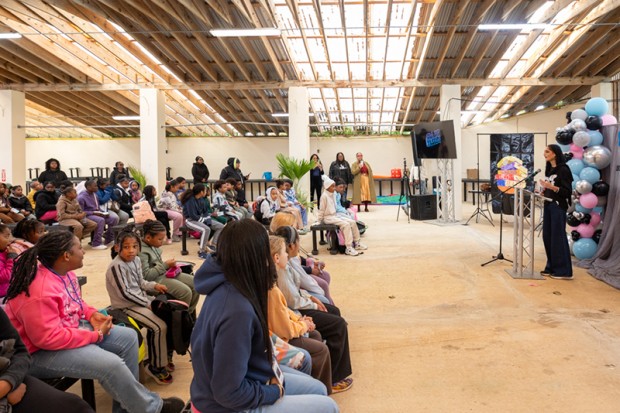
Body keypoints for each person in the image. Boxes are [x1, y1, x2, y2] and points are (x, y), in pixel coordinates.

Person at [3, 230, 185, 413]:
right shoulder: (40, 292)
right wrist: (95, 335)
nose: (83, 251)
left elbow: (76, 302)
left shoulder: (64, 273)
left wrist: (91, 314)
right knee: (111, 365)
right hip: (36, 352)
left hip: (67, 329)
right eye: (79, 248)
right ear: (66, 256)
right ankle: (151, 408)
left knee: (129, 337)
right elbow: (47, 338)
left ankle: (126, 409)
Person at [190, 219, 339, 413]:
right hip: (224, 405)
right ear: (254, 258)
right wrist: (274, 391)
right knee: (328, 407)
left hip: (247, 377)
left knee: (318, 389)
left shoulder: (231, 283)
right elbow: (228, 393)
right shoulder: (236, 310)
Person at [274, 225, 354, 394]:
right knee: (337, 324)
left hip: (298, 309)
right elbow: (292, 301)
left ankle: (333, 370)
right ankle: (333, 378)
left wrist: (312, 298)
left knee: (334, 312)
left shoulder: (287, 263)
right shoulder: (280, 271)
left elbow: (297, 289)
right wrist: (312, 307)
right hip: (297, 311)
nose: (298, 245)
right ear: (290, 246)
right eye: (297, 241)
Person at [106, 227, 174, 385]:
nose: (131, 251)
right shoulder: (116, 266)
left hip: (140, 300)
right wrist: (147, 303)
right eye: (126, 247)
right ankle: (155, 367)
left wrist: (154, 285)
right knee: (159, 326)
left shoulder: (136, 260)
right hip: (125, 306)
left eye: (134, 246)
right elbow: (125, 293)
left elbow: (141, 282)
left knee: (168, 313)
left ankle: (160, 356)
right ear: (117, 248)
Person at [268, 235, 333, 393]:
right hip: (282, 338)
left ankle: (320, 385)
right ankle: (319, 391)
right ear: (276, 258)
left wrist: (300, 320)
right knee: (321, 350)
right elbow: (285, 329)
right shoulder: (272, 288)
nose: (287, 255)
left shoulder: (274, 279)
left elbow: (285, 311)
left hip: (287, 326)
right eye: (284, 252)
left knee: (316, 335)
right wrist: (303, 324)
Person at [0, 306, 95, 413]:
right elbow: (47, 338)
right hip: (39, 354)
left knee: (77, 407)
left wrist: (7, 383)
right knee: (106, 365)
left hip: (10, 376)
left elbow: (19, 350)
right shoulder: (31, 301)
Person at [138, 219, 199, 315]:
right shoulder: (141, 251)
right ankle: (180, 319)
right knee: (185, 292)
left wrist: (170, 266)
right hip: (153, 282)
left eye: (163, 238)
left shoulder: (152, 245)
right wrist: (165, 265)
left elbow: (157, 265)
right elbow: (146, 276)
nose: (162, 241)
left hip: (163, 274)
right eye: (160, 239)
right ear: (148, 237)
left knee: (196, 283)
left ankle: (188, 315)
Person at [539, 144, 574, 280]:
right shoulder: (550, 169)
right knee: (547, 236)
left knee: (557, 237)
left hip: (558, 206)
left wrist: (552, 187)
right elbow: (551, 187)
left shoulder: (563, 169)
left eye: (547, 151)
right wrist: (544, 190)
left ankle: (563, 271)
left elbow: (567, 191)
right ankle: (551, 267)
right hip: (548, 204)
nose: (545, 154)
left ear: (555, 153)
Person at [318, 176, 367, 256]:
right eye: (332, 186)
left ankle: (357, 243)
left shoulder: (332, 194)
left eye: (334, 186)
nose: (334, 188)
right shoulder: (324, 196)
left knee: (352, 222)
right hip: (328, 217)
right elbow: (321, 210)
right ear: (327, 187)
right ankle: (348, 247)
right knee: (346, 225)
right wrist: (319, 220)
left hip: (335, 215)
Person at [180, 184, 225, 259]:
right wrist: (204, 220)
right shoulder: (190, 200)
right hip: (190, 220)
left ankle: (213, 246)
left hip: (201, 219)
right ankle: (201, 252)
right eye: (205, 190)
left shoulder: (201, 199)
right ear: (201, 192)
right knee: (206, 229)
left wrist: (208, 220)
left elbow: (205, 212)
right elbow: (192, 215)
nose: (206, 192)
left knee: (220, 226)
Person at [78, 179, 119, 250]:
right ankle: (96, 244)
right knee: (100, 220)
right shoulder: (81, 197)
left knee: (113, 218)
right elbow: (81, 212)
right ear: (88, 187)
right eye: (95, 186)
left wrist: (102, 213)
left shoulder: (94, 195)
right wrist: (94, 213)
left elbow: (97, 208)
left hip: (96, 213)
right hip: (87, 215)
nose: (97, 187)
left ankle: (109, 239)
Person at [0, 224, 17, 298]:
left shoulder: (4, 251)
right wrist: (11, 259)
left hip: (8, 291)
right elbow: (5, 276)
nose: (10, 239)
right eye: (6, 236)